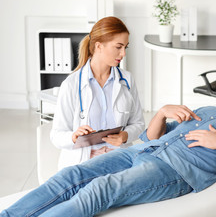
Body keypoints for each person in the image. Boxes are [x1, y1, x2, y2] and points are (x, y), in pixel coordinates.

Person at [1, 70, 216, 217]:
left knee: (100, 189)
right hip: (142, 151)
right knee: (71, 175)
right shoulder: (212, 111)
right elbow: (150, 137)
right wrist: (161, 112)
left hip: (175, 170)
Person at [50, 16, 145, 170]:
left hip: (119, 161)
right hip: (84, 165)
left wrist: (125, 135)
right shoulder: (71, 84)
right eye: (118, 47)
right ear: (99, 46)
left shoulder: (126, 80)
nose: (123, 54)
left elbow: (138, 123)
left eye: (125, 47)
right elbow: (56, 135)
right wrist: (73, 136)